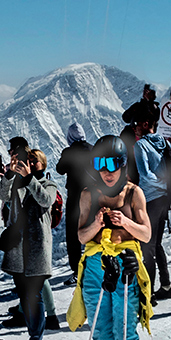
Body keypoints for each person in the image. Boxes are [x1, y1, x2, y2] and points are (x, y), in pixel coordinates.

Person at [68, 135, 154, 340]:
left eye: (112, 164)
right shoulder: (88, 195)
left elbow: (146, 233)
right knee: (102, 337)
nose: (106, 171)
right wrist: (96, 224)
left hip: (125, 266)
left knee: (125, 336)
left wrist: (124, 222)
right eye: (100, 164)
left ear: (122, 164)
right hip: (96, 267)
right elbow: (81, 236)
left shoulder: (133, 194)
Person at [0, 148, 56, 340]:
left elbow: (45, 200)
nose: (29, 163)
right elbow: (2, 195)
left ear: (42, 164)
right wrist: (8, 175)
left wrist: (29, 178)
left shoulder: (48, 184)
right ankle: (35, 337)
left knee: (34, 294)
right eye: (28, 160)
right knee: (25, 294)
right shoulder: (18, 184)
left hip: (37, 248)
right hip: (18, 248)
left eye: (34, 161)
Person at [132, 113, 171, 301]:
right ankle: (166, 286)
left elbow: (144, 173)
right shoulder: (164, 143)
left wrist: (159, 184)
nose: (134, 127)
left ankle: (147, 294)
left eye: (136, 123)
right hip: (164, 200)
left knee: (147, 245)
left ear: (145, 124)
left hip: (149, 199)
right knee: (156, 244)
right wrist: (166, 186)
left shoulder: (140, 145)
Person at [56, 123, 94, 288]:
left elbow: (60, 169)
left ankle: (77, 270)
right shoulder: (93, 148)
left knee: (73, 234)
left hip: (75, 197)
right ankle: (94, 266)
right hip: (92, 196)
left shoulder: (69, 152)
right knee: (92, 230)